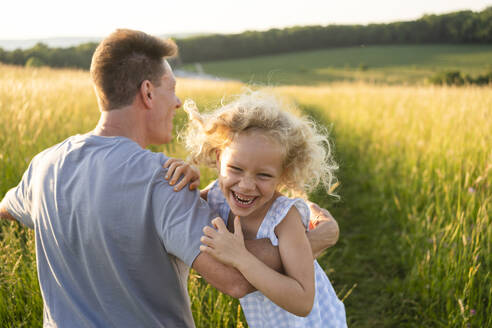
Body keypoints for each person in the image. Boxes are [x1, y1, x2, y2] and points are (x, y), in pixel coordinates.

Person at [0, 29, 339, 327]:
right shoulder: (164, 179)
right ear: (148, 93)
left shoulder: (43, 165)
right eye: (171, 89)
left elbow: (7, 208)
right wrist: (311, 242)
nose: (177, 103)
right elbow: (234, 280)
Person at [180, 92, 347, 327]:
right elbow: (182, 206)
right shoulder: (217, 194)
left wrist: (240, 258)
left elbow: (303, 301)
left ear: (284, 174)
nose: (246, 185)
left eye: (264, 175)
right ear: (219, 159)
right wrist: (187, 176)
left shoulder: (283, 218)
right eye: (236, 169)